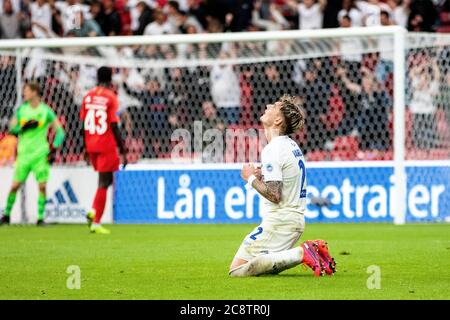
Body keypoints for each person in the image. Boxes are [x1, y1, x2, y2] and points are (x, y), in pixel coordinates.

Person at [229, 95, 336, 277]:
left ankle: (302, 252)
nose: (268, 105)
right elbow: (285, 178)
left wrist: (250, 179)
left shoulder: (273, 149)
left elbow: (275, 195)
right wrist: (264, 175)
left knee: (237, 271)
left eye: (274, 106)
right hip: (291, 221)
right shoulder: (290, 145)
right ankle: (306, 253)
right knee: (264, 270)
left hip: (280, 222)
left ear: (278, 120)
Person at [0, 81, 65, 226]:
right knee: (15, 185)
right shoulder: (22, 110)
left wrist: (54, 149)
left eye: (27, 90)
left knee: (42, 186)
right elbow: (12, 129)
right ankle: (6, 216)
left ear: (35, 92)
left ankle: (40, 218)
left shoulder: (46, 111)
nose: (24, 93)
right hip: (24, 154)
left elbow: (60, 131)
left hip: (40, 154)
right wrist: (23, 127)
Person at [80, 66, 127, 234]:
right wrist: (123, 149)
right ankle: (95, 219)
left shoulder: (88, 96)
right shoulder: (110, 97)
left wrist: (83, 147)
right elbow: (114, 124)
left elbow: (82, 123)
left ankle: (94, 212)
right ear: (111, 78)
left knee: (103, 181)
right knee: (105, 182)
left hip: (91, 143)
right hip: (106, 143)